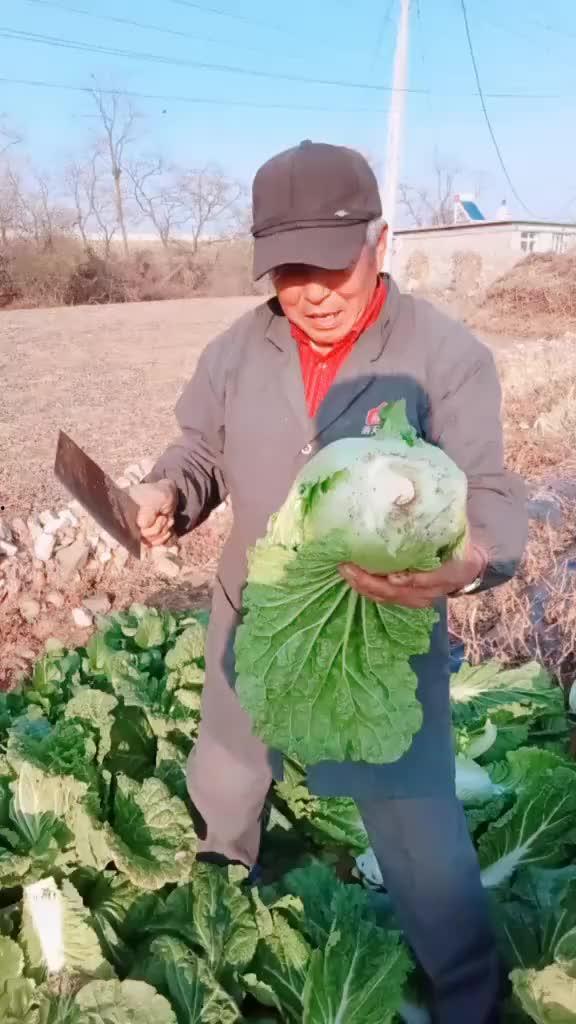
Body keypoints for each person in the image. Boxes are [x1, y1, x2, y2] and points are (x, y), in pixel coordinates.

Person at [130, 141, 527, 1024]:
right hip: (260, 617)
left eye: (330, 265)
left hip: (373, 632)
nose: (310, 292)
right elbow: (199, 451)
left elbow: (491, 496)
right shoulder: (239, 349)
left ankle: (470, 996)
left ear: (379, 244)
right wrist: (167, 494)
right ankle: (218, 928)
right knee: (227, 777)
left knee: (418, 831)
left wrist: (465, 562)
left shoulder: (443, 355)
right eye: (288, 270)